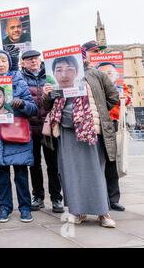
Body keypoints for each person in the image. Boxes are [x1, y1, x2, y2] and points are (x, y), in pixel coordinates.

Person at [43, 41, 119, 228]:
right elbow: (47, 107)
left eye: (69, 68)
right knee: (70, 173)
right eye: (59, 69)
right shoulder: (55, 83)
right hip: (66, 132)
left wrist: (97, 111)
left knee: (95, 171)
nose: (64, 72)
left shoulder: (96, 75)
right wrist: (47, 95)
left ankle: (103, 213)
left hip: (90, 130)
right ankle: (78, 212)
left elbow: (113, 97)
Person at [0, 49, 37, 223]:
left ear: (9, 63)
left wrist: (21, 104)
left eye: (3, 61)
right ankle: (5, 208)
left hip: (16, 135)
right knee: (2, 177)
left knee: (21, 175)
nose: (0, 64)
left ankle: (25, 208)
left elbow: (33, 108)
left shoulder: (19, 80)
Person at [82, 40, 125, 212]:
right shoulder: (82, 73)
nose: (98, 55)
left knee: (110, 162)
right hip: (88, 124)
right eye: (94, 52)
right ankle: (96, 198)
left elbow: (114, 96)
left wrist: (101, 108)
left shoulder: (104, 73)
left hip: (107, 123)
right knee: (93, 163)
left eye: (99, 52)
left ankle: (113, 199)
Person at [20, 50, 63, 213]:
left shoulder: (51, 74)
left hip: (49, 127)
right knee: (34, 165)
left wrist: (51, 94)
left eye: (35, 59)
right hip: (29, 127)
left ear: (40, 60)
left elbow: (61, 95)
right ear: (23, 63)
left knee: (53, 164)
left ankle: (56, 198)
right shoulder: (20, 78)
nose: (33, 61)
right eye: (29, 59)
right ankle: (37, 196)